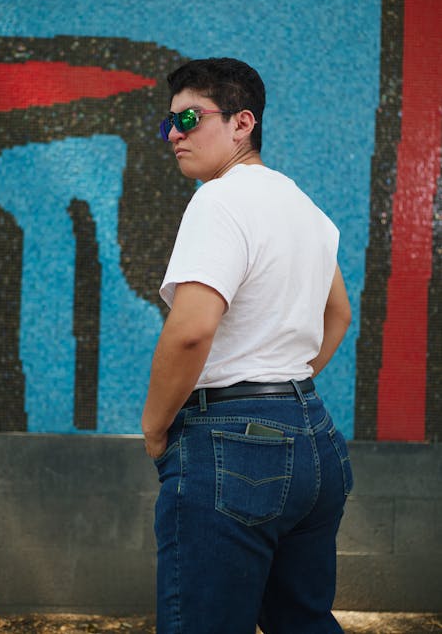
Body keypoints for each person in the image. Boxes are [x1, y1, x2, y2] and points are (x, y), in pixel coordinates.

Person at [141, 57, 353, 634]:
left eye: (188, 117)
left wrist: (155, 427)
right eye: (168, 123)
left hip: (232, 447)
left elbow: (190, 331)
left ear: (242, 123)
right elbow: (339, 314)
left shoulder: (219, 201)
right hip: (314, 438)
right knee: (302, 622)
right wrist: (284, 386)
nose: (174, 134)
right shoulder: (304, 207)